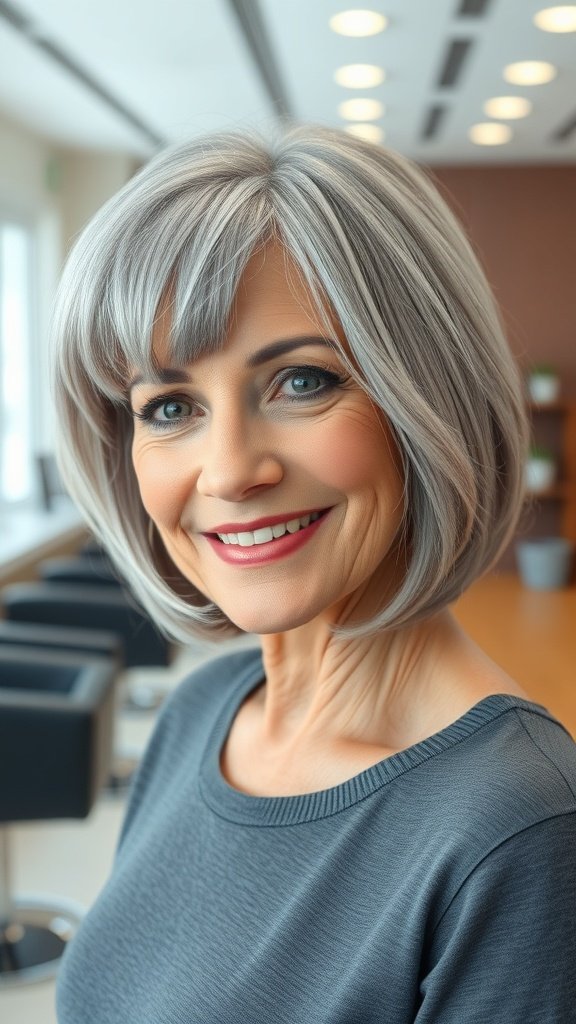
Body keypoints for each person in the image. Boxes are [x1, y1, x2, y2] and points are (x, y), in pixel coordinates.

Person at [52, 124, 576, 1023]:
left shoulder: (518, 832)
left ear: (426, 396)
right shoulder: (200, 712)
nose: (227, 471)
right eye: (169, 406)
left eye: (301, 382)